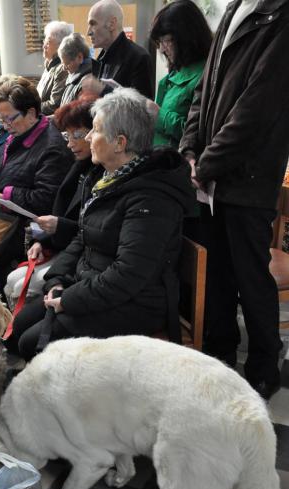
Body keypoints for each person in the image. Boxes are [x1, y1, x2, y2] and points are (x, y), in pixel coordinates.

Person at [10, 87, 195, 361]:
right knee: (19, 327)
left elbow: (128, 275)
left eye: (94, 130)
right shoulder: (110, 178)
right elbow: (82, 238)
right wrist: (58, 280)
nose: (87, 137)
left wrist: (69, 301)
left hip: (134, 304)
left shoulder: (152, 197)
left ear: (119, 143)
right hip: (95, 287)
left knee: (30, 344)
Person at [179, 0, 289, 399]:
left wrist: (205, 164)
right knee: (218, 276)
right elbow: (202, 92)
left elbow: (257, 110)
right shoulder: (234, 10)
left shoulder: (279, 17)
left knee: (250, 277)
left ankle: (264, 366)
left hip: (247, 178)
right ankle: (220, 353)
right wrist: (190, 149)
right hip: (211, 177)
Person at [0, 77, 73, 293]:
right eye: (1, 119)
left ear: (31, 113)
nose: (5, 126)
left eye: (10, 119)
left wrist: (6, 196)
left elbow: (46, 199)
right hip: (3, 216)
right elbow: (2, 174)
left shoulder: (51, 147)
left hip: (28, 226)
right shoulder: (19, 135)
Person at [4, 97, 101, 309]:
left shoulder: (100, 174)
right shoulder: (81, 167)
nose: (70, 143)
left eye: (78, 135)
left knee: (22, 286)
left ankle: (17, 333)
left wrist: (58, 227)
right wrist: (43, 242)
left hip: (84, 259)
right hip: (67, 248)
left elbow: (93, 232)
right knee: (12, 280)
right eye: (67, 135)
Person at [150, 0, 212, 148]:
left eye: (166, 41)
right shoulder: (177, 70)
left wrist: (160, 117)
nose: (162, 49)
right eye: (159, 42)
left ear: (186, 37)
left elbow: (199, 135)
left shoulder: (205, 75)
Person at [83, 0, 153, 99]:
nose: (88, 32)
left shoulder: (139, 58)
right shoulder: (101, 59)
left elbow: (143, 108)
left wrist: (103, 90)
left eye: (93, 24)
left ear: (112, 24)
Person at [37, 21, 71, 115]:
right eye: (44, 42)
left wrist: (31, 108)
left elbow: (55, 105)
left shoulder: (62, 69)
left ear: (60, 46)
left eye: (48, 43)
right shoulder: (49, 66)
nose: (44, 46)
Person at [58, 33, 94, 106]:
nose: (64, 68)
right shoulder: (74, 77)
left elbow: (78, 115)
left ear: (79, 57)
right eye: (62, 63)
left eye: (67, 64)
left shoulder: (87, 83)